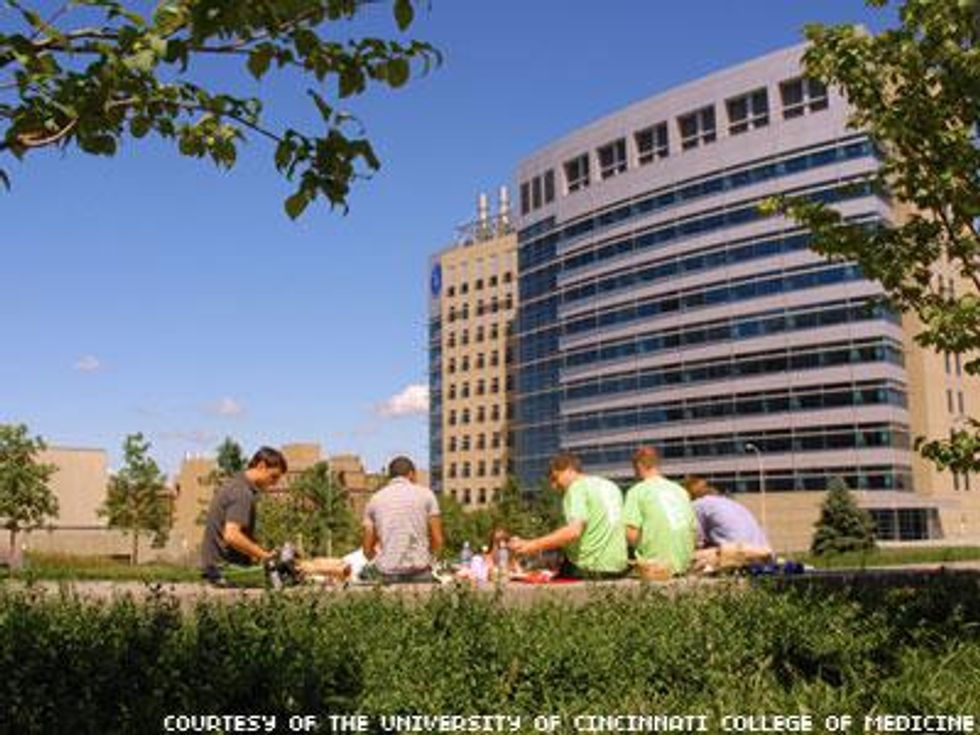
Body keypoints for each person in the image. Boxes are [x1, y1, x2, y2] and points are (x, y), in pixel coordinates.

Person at [509, 453, 628, 579]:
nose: (554, 486)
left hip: (588, 568)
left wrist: (532, 545)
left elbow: (574, 532)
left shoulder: (576, 488)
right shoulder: (611, 486)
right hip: (618, 568)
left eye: (555, 478)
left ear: (569, 470)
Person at [201, 446, 287, 585]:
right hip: (224, 572)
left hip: (217, 568)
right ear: (261, 466)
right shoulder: (242, 492)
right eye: (273, 477)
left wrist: (257, 552)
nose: (274, 483)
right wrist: (264, 555)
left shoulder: (236, 484)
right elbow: (232, 535)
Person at [362, 455, 444, 583]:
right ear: (411, 474)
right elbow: (438, 540)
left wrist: (381, 561)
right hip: (420, 572)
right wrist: (428, 556)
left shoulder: (374, 500)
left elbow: (367, 549)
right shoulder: (426, 495)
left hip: (387, 574)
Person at [623, 446, 697, 576]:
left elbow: (631, 533)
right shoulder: (680, 491)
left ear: (639, 466)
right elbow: (693, 531)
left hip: (656, 568)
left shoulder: (637, 491)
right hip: (684, 565)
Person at [684, 475, 773, 570]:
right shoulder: (730, 502)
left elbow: (696, 541)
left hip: (739, 553)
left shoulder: (697, 505)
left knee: (688, 559)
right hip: (764, 553)